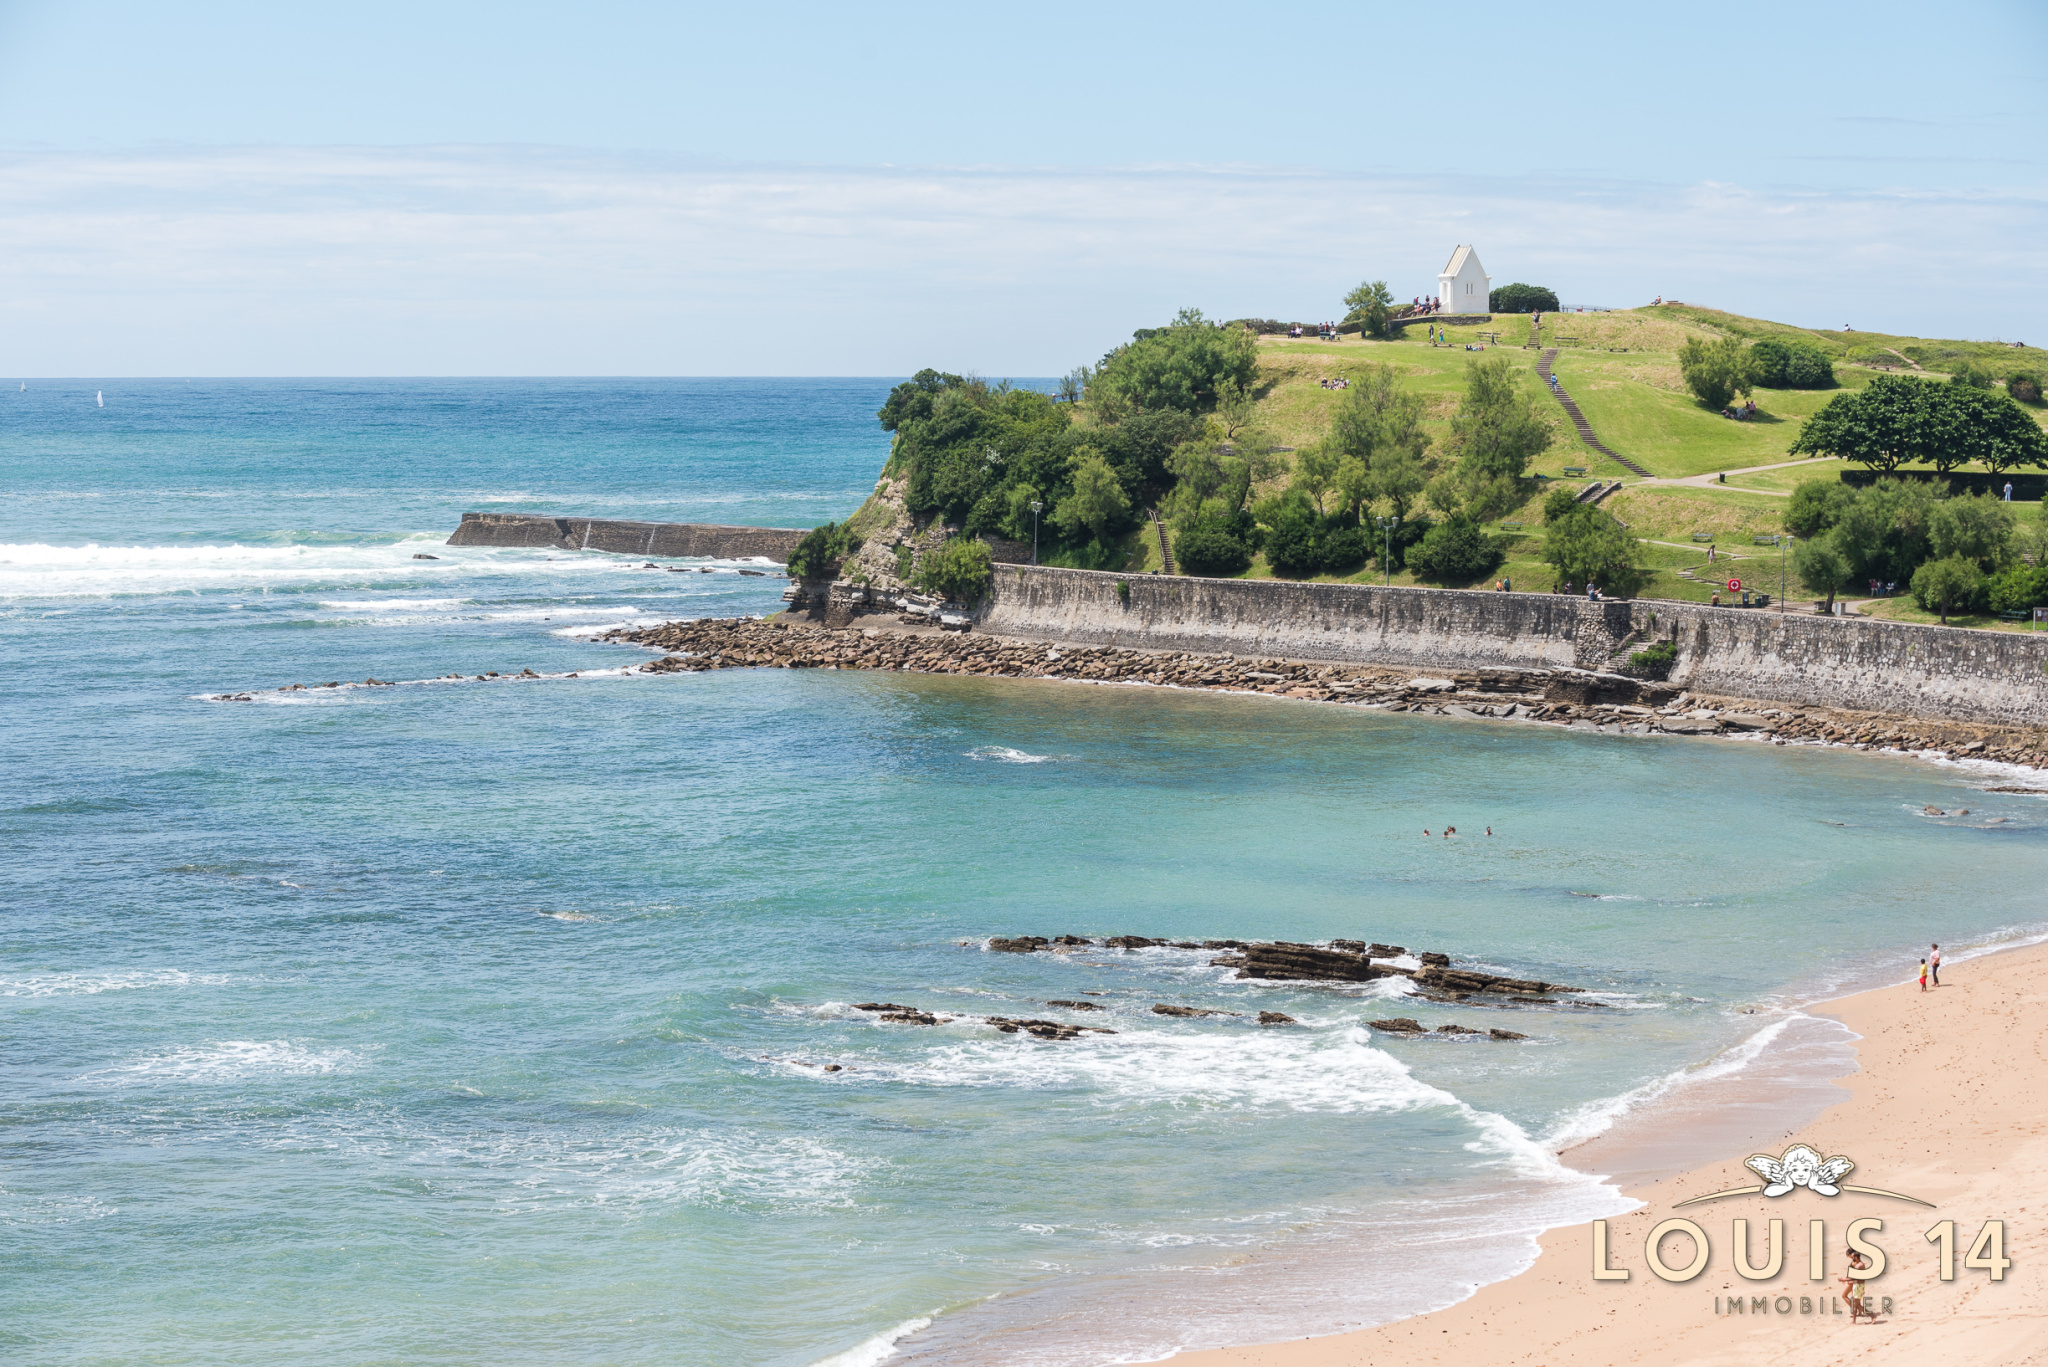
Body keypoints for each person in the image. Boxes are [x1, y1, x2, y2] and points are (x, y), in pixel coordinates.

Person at [1843, 1250, 1874, 1323]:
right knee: (1856, 1303)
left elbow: (1855, 1276)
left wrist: (1845, 1279)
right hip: (1856, 1284)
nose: (1851, 1257)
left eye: (1851, 1256)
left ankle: (1871, 1315)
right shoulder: (1856, 1262)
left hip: (1856, 1284)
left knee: (1855, 1303)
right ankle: (1855, 1319)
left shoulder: (1858, 1264)